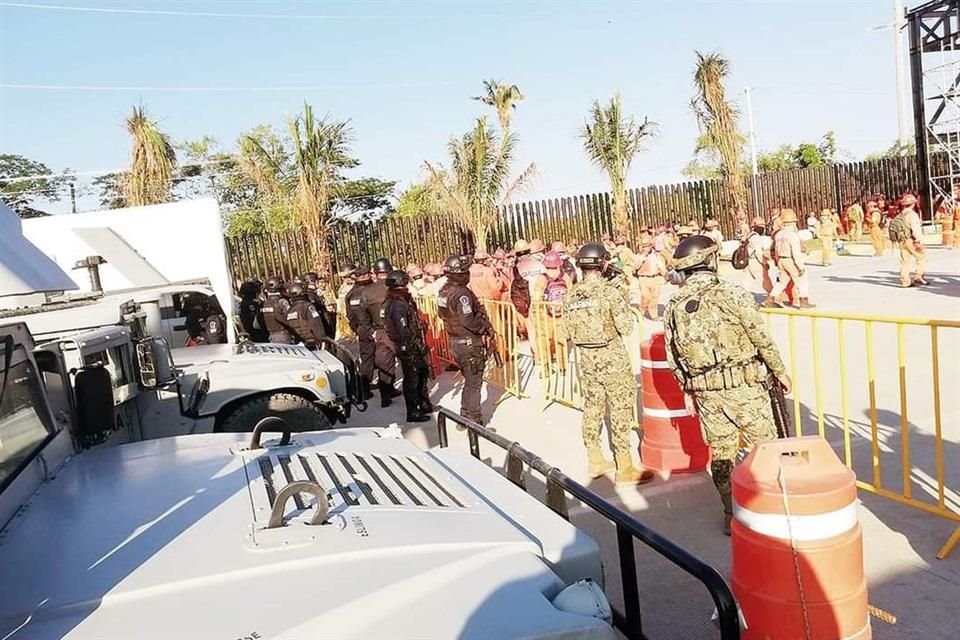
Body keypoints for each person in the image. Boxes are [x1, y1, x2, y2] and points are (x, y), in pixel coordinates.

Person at [663, 235, 791, 534]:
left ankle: (731, 513)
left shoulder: (674, 305)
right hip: (744, 386)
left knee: (722, 454)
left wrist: (687, 389)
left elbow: (674, 355)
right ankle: (771, 509)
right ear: (710, 260)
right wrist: (780, 370)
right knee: (767, 448)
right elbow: (759, 336)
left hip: (706, 392)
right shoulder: (732, 293)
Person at [563, 243, 655, 485]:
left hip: (586, 359)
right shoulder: (610, 292)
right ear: (603, 264)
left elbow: (568, 330)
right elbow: (626, 327)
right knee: (620, 407)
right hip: (611, 357)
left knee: (593, 407)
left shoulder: (570, 295)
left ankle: (595, 459)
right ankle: (624, 466)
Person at [438, 254, 494, 426]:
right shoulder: (461, 293)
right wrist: (484, 327)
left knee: (468, 381)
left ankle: (463, 415)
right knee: (474, 382)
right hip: (468, 342)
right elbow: (468, 319)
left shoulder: (444, 291)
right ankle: (474, 420)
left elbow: (442, 314)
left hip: (456, 341)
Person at [382, 269, 433, 422]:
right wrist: (411, 345)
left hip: (409, 343)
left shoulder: (397, 299)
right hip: (408, 345)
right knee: (412, 378)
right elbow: (402, 327)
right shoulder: (397, 303)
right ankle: (413, 411)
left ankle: (423, 403)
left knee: (422, 374)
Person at [365, 258, 399, 407]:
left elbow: (361, 313)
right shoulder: (394, 288)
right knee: (410, 365)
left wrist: (370, 330)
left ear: (375, 273)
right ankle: (416, 403)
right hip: (396, 330)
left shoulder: (368, 291)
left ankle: (386, 396)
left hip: (379, 332)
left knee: (384, 365)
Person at [764, 209, 814, 308]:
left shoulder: (779, 234)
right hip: (790, 260)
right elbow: (796, 253)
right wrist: (800, 267)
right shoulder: (792, 235)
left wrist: (778, 262)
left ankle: (770, 299)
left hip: (781, 260)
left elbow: (776, 249)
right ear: (793, 222)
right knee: (802, 280)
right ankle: (804, 301)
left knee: (782, 282)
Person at [345, 267, 376, 399]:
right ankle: (387, 388)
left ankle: (365, 387)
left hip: (361, 329)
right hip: (374, 327)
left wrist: (356, 329)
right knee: (383, 357)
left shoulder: (351, 294)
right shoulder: (371, 291)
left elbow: (350, 315)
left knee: (366, 358)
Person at [280, 281, 328, 349]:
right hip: (312, 344)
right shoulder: (308, 307)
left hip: (298, 345)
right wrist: (323, 339)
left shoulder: (290, 310)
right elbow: (316, 324)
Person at [895, 193, 928, 287]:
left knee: (904, 261)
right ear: (913, 204)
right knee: (921, 257)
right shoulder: (912, 215)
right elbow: (915, 229)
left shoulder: (900, 215)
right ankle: (918, 275)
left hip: (902, 240)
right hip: (911, 240)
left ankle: (905, 281)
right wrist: (918, 240)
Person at [633, 234, 667, 320]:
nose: (646, 248)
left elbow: (660, 265)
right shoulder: (639, 256)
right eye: (644, 246)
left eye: (648, 246)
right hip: (644, 278)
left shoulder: (655, 255)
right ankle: (641, 312)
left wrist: (665, 274)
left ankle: (654, 315)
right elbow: (636, 267)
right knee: (646, 296)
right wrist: (642, 258)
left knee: (655, 296)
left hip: (655, 278)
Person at [262, 276, 294, 344]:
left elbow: (256, 324)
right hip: (283, 335)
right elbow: (290, 319)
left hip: (271, 336)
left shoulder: (264, 303)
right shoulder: (282, 302)